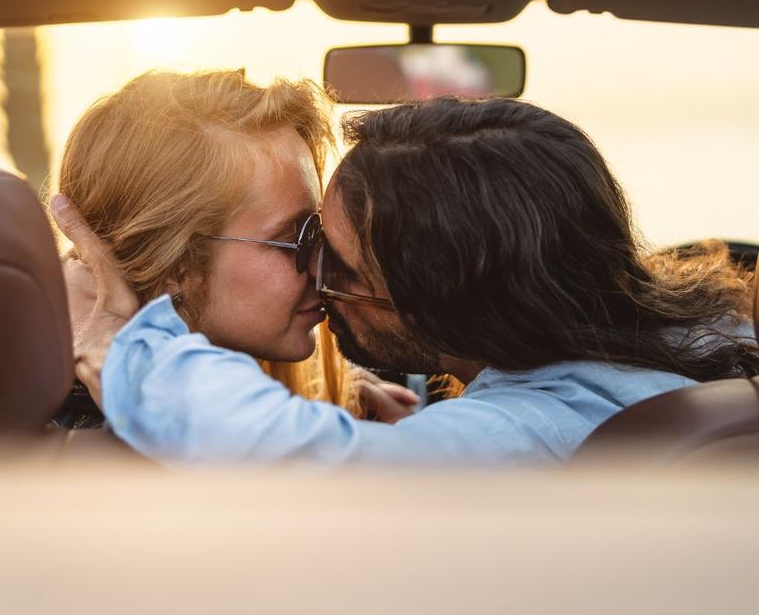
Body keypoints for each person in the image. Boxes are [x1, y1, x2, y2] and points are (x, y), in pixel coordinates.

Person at [52, 97, 758, 466]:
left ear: (443, 294)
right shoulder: (696, 345)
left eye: (331, 255)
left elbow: (298, 463)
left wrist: (122, 347)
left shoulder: (527, 430)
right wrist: (421, 431)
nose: (320, 279)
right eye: (297, 240)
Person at [51, 69, 419, 429]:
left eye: (319, 229)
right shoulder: (108, 446)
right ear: (175, 266)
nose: (323, 263)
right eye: (295, 238)